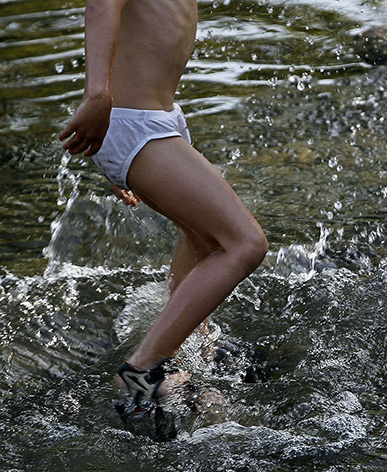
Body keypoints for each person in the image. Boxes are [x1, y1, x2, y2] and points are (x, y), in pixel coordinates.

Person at [59, 0, 268, 407]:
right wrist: (98, 95)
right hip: (132, 121)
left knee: (203, 242)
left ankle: (199, 353)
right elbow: (102, 5)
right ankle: (142, 369)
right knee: (245, 244)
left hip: (153, 119)